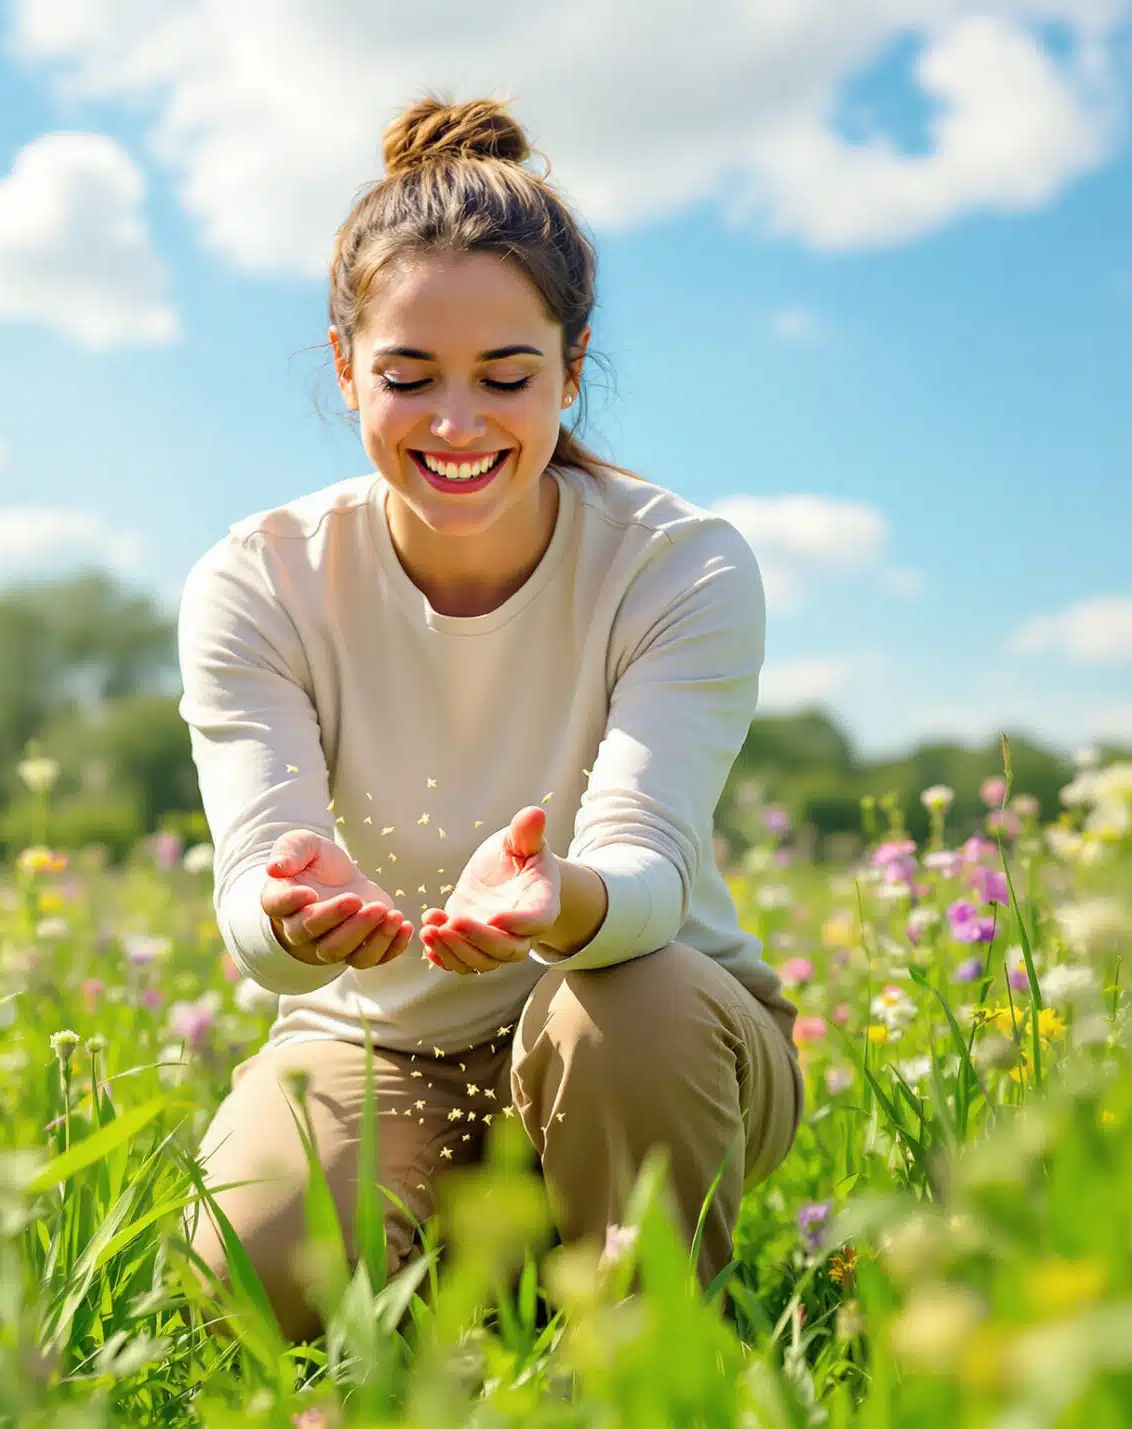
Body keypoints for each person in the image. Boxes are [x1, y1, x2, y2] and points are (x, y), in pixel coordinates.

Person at [176, 94, 799, 1340]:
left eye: (507, 377)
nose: (456, 425)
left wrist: (558, 901)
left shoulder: (678, 566)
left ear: (572, 371)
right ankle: (481, 1275)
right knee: (257, 1278)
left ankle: (649, 1351)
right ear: (346, 366)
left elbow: (648, 865)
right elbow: (253, 894)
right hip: (380, 1042)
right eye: (408, 378)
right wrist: (294, 914)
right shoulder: (259, 579)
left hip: (650, 1030)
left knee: (618, 1000)